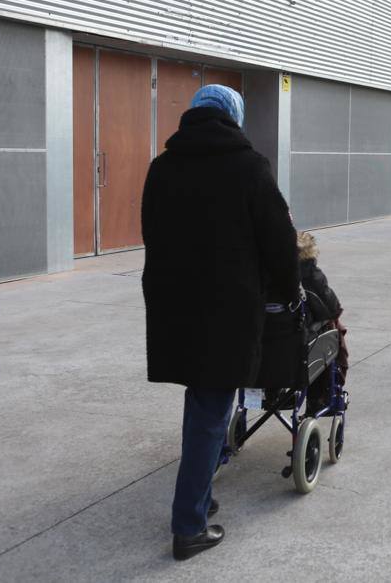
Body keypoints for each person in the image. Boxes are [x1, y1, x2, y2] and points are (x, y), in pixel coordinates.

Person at [142, 85, 299, 560]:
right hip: (226, 305)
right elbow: (279, 238)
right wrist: (289, 290)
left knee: (204, 401)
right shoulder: (249, 165)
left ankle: (202, 498)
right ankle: (189, 526)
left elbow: (151, 230)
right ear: (234, 116)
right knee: (211, 410)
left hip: (174, 302)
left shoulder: (163, 165)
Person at [297, 231, 349, 406]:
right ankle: (319, 398)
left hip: (265, 346)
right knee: (333, 332)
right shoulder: (312, 276)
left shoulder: (262, 274)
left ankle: (269, 394)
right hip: (300, 344)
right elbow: (332, 308)